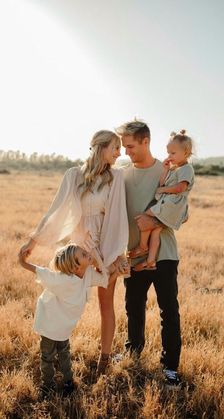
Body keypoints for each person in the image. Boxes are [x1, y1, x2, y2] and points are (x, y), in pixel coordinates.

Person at [19, 130, 129, 375]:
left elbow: (117, 217)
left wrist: (116, 254)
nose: (119, 153)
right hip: (78, 251)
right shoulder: (73, 175)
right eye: (115, 147)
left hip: (103, 247)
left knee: (105, 304)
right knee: (64, 299)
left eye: (120, 148)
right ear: (101, 147)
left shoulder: (117, 177)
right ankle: (54, 346)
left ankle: (104, 359)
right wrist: (33, 241)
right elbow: (56, 210)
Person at [116, 120, 182, 388]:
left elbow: (183, 212)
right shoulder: (122, 175)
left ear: (146, 141)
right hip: (134, 255)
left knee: (169, 310)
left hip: (164, 253)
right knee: (133, 307)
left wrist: (155, 222)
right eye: (123, 147)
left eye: (130, 146)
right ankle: (133, 352)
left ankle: (170, 367)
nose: (126, 152)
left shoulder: (168, 171)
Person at [18, 243, 120, 398]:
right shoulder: (62, 279)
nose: (87, 253)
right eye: (83, 254)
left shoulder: (88, 274)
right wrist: (23, 262)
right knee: (47, 357)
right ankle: (47, 385)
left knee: (64, 353)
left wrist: (117, 273)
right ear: (75, 267)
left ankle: (68, 382)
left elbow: (105, 282)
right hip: (50, 325)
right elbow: (41, 272)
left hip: (64, 327)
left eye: (84, 252)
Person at [128, 129, 194, 271]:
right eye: (168, 152)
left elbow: (180, 188)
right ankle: (150, 260)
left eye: (173, 153)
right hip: (168, 202)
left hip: (172, 204)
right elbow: (163, 182)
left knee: (146, 215)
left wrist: (162, 190)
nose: (169, 156)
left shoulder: (186, 169)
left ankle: (142, 246)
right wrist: (165, 171)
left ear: (186, 153)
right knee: (156, 230)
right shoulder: (174, 169)